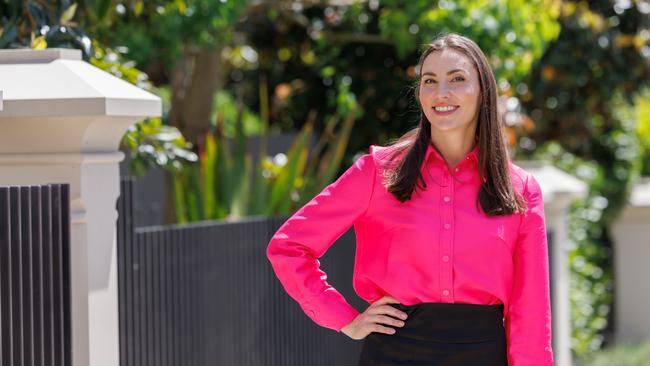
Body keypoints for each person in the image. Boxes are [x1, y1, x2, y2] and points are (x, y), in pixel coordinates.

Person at [266, 32, 553, 366]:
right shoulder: (376, 172)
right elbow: (288, 247)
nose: (441, 92)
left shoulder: (520, 189)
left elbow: (530, 313)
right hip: (395, 353)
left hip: (483, 354)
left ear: (483, 91)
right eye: (429, 80)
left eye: (457, 79)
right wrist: (343, 318)